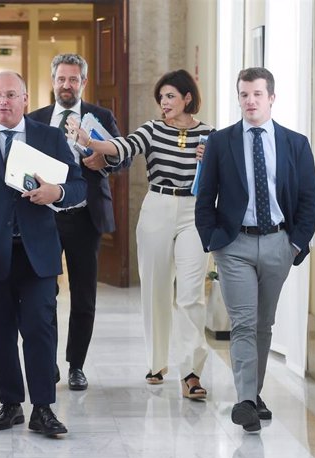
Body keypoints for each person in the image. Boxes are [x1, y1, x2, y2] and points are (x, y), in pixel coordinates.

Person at [0, 71, 86, 437]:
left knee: (40, 328)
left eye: (11, 95)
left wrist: (56, 192)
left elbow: (77, 186)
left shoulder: (48, 137)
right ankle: (10, 404)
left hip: (36, 251)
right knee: (0, 331)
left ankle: (43, 408)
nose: (3, 101)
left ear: (25, 98)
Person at [67, 69, 213, 399]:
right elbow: (123, 147)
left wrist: (212, 158)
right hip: (157, 208)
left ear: (187, 98)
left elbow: (223, 173)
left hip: (195, 212)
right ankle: (156, 362)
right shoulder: (152, 130)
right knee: (156, 289)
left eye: (171, 96)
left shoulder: (209, 135)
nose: (164, 103)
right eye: (161, 98)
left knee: (191, 294)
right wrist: (90, 142)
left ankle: (191, 372)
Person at [194, 67, 315, 432]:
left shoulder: (295, 143)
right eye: (244, 95)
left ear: (271, 98)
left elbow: (309, 199)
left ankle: (255, 393)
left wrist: (295, 243)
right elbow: (205, 197)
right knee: (245, 323)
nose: (250, 101)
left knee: (264, 324)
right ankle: (245, 401)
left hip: (280, 242)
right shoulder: (221, 142)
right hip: (234, 245)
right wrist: (213, 241)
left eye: (257, 95)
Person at [28, 53, 124, 391]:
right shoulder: (36, 120)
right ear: (52, 81)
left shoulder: (100, 116)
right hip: (45, 217)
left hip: (86, 216)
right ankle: (47, 361)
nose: (67, 85)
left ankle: (76, 366)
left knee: (84, 295)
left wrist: (103, 161)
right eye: (61, 79)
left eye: (73, 79)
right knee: (44, 294)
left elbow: (121, 159)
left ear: (83, 82)